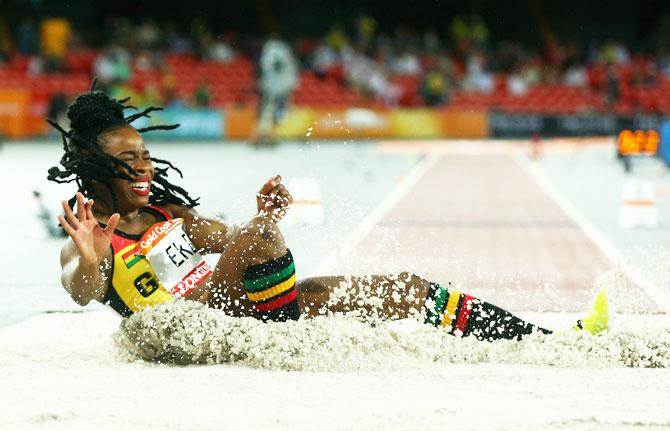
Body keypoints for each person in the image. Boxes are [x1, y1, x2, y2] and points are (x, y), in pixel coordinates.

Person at [48, 85, 608, 342]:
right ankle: (283, 323)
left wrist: (261, 219)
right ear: (95, 170)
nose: (145, 165)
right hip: (185, 329)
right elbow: (82, 286)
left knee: (405, 289)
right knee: (258, 236)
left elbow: (232, 242)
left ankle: (551, 340)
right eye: (129, 159)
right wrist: (94, 260)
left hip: (248, 305)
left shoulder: (173, 211)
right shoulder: (86, 237)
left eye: (146, 153)